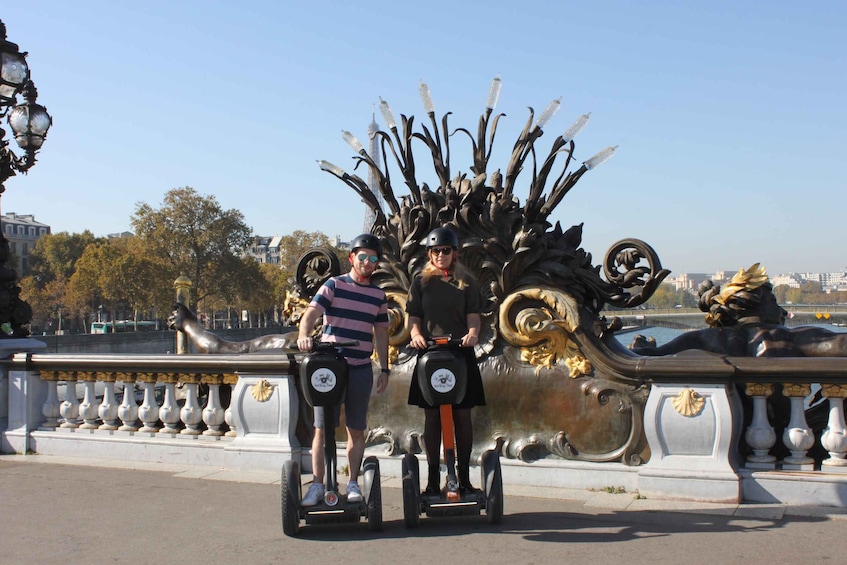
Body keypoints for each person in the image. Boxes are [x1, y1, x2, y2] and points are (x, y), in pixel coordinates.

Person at [296, 233, 391, 506]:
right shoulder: (333, 285)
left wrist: (384, 368)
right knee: (322, 428)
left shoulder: (378, 295)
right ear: (352, 259)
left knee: (356, 429)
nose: (367, 263)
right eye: (363, 257)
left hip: (360, 366)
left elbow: (382, 333)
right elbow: (311, 314)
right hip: (332, 367)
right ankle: (318, 484)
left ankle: (351, 482)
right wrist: (304, 335)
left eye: (373, 259)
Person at [406, 227, 486, 495]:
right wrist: (416, 334)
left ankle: (463, 478)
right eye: (436, 251)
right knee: (432, 417)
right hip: (430, 353)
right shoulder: (420, 281)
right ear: (429, 254)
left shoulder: (466, 282)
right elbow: (413, 316)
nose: (441, 255)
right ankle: (431, 481)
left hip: (459, 352)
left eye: (446, 250)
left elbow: (474, 314)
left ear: (455, 253)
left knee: (463, 416)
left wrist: (473, 332)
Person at [630, 263, 847, 358]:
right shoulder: (785, 336)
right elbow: (839, 345)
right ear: (755, 302)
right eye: (773, 301)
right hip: (787, 440)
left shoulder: (707, 338)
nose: (781, 311)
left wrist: (643, 349)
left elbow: (648, 356)